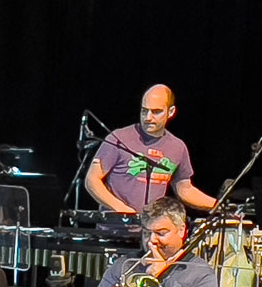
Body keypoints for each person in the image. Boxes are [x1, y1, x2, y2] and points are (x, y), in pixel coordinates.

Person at [85, 84, 219, 221]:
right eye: (144, 111)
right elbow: (92, 180)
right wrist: (121, 209)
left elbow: (184, 189)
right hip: (114, 230)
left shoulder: (178, 147)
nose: (148, 117)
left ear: (171, 112)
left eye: (156, 111)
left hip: (152, 234)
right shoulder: (118, 138)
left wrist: (218, 205)